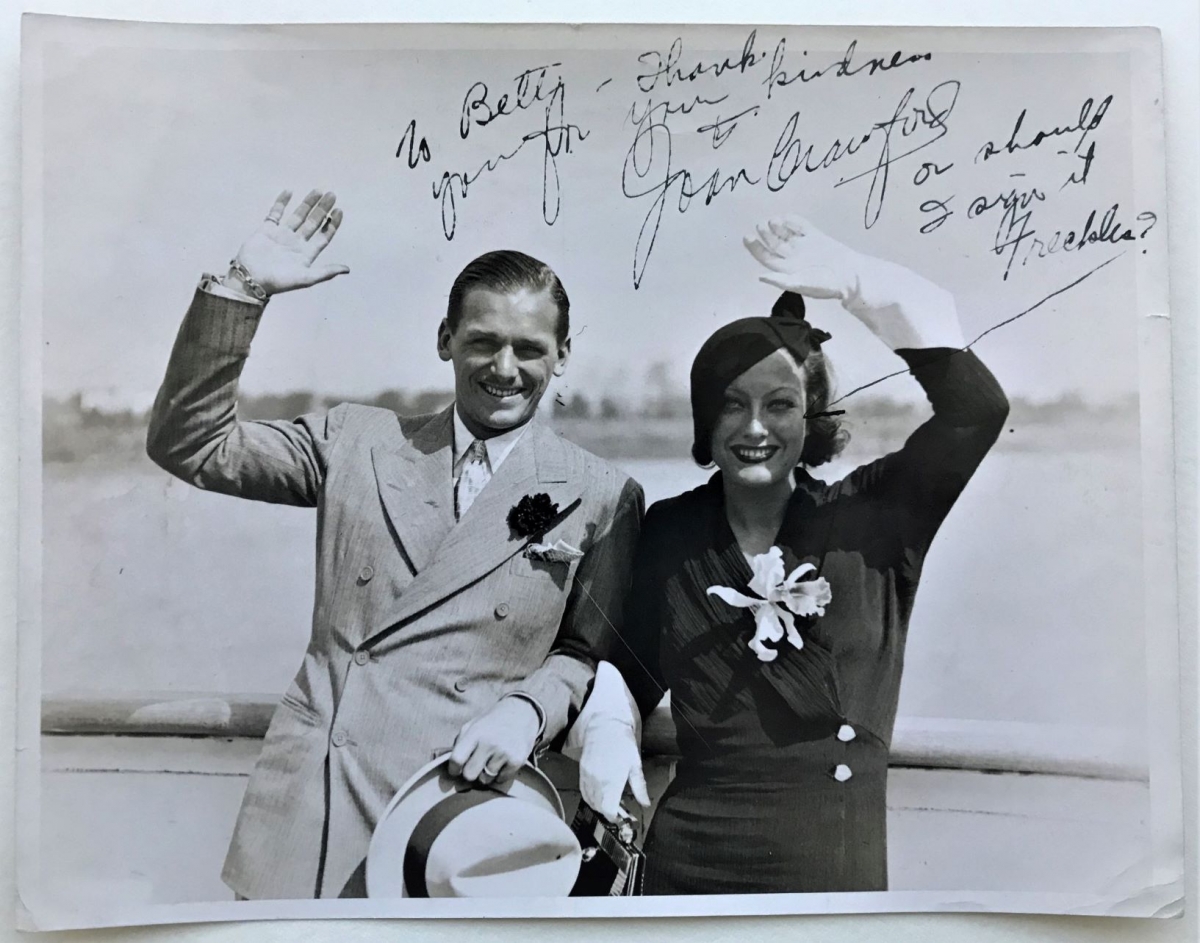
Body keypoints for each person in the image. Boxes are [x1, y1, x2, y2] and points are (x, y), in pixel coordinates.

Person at [146, 189, 643, 900]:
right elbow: (188, 443)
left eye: (529, 348)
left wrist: (527, 710)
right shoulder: (356, 441)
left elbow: (585, 652)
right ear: (446, 340)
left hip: (453, 830)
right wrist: (243, 288)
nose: (504, 367)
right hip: (312, 820)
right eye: (482, 341)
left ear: (563, 355)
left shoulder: (602, 494)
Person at [571, 216, 1009, 895]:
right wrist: (605, 730)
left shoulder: (878, 519)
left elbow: (976, 410)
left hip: (831, 880)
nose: (753, 427)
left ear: (812, 419)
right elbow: (625, 674)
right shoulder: (672, 531)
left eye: (779, 404)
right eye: (731, 405)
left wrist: (859, 282)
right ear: (704, 421)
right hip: (684, 875)